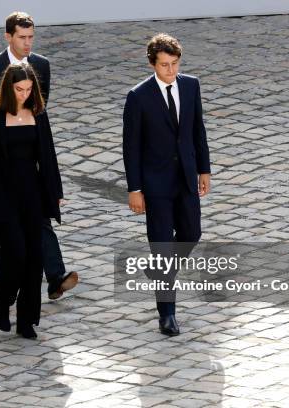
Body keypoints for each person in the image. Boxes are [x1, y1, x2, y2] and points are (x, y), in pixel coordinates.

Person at [0, 11, 77, 299]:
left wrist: (52, 185)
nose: (28, 43)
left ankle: (55, 275)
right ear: (8, 36)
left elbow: (40, 113)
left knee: (40, 221)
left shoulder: (42, 65)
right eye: (22, 37)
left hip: (28, 163)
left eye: (31, 37)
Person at [122, 33, 211, 336]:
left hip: (186, 177)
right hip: (155, 184)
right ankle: (168, 314)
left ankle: (161, 270)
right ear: (152, 64)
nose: (170, 71)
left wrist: (204, 169)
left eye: (174, 64)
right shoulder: (138, 96)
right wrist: (134, 189)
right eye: (163, 65)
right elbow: (131, 146)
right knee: (161, 247)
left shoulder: (191, 85)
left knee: (191, 233)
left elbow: (197, 129)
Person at [0, 63, 63, 339]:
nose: (24, 94)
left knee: (34, 259)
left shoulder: (38, 113)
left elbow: (48, 156)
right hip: (2, 196)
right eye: (19, 89)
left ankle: (27, 320)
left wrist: (54, 192)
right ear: (8, 88)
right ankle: (2, 302)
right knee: (16, 255)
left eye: (28, 89)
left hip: (32, 194)